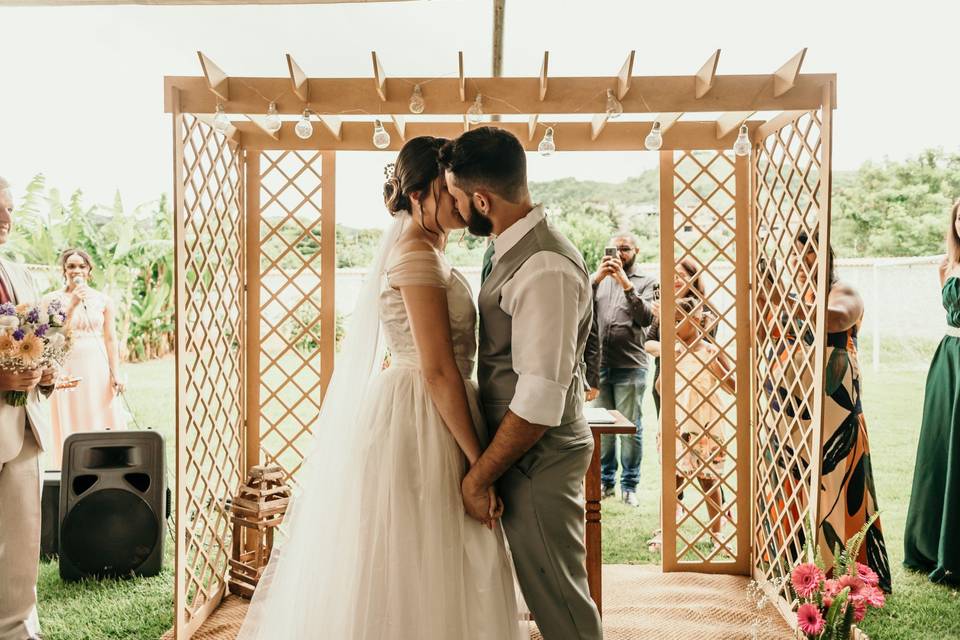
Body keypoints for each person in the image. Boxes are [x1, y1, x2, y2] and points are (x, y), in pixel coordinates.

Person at [237, 137, 523, 640]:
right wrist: (480, 465)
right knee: (416, 551)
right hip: (423, 413)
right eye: (445, 191)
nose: (457, 202)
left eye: (457, 190)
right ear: (417, 195)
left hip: (435, 403)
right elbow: (436, 368)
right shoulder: (415, 253)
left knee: (436, 551)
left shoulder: (431, 251)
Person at [442, 127, 603, 640]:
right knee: (545, 592)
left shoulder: (545, 266)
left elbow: (537, 399)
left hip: (539, 457)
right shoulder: (508, 247)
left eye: (457, 195)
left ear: (482, 199)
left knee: (559, 601)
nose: (452, 202)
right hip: (523, 453)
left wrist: (478, 477)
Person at [791, 231, 892, 593]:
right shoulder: (796, 296)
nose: (803, 265)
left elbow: (835, 320)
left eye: (810, 257)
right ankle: (793, 567)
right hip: (797, 406)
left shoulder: (842, 290)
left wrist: (783, 301)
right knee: (797, 484)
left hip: (838, 405)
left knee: (840, 484)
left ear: (826, 259)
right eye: (797, 257)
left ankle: (848, 574)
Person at [0, 175, 56, 640]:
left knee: (22, 541)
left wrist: (46, 371)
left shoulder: (18, 272)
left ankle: (19, 630)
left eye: (11, 208)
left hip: (24, 427)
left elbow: (36, 340)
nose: (6, 219)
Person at [646, 297, 735, 548]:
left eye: (677, 321)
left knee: (709, 481)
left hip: (706, 425)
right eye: (670, 322)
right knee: (672, 480)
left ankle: (717, 534)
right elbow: (659, 387)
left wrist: (716, 369)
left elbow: (732, 388)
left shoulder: (710, 351)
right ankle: (665, 533)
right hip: (676, 426)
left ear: (695, 320)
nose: (672, 327)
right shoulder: (671, 352)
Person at [904, 199, 960, 585]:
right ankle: (931, 546)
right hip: (949, 360)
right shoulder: (945, 265)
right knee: (941, 447)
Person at [590, 234, 656, 507]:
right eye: (615, 249)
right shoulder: (599, 279)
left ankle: (630, 485)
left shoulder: (647, 281)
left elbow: (646, 318)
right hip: (600, 365)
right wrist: (595, 279)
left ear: (636, 250)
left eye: (625, 249)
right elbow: (580, 304)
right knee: (602, 428)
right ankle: (606, 482)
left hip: (631, 365)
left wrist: (626, 284)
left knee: (631, 428)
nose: (619, 254)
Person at [45, 248, 127, 468]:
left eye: (82, 266)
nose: (76, 270)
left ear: (89, 271)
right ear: (64, 270)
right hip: (67, 365)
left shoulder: (103, 300)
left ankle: (105, 465)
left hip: (97, 368)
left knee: (99, 415)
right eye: (71, 266)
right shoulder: (52, 299)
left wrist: (115, 374)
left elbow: (110, 339)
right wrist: (71, 304)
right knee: (72, 417)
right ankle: (73, 467)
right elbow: (54, 335)